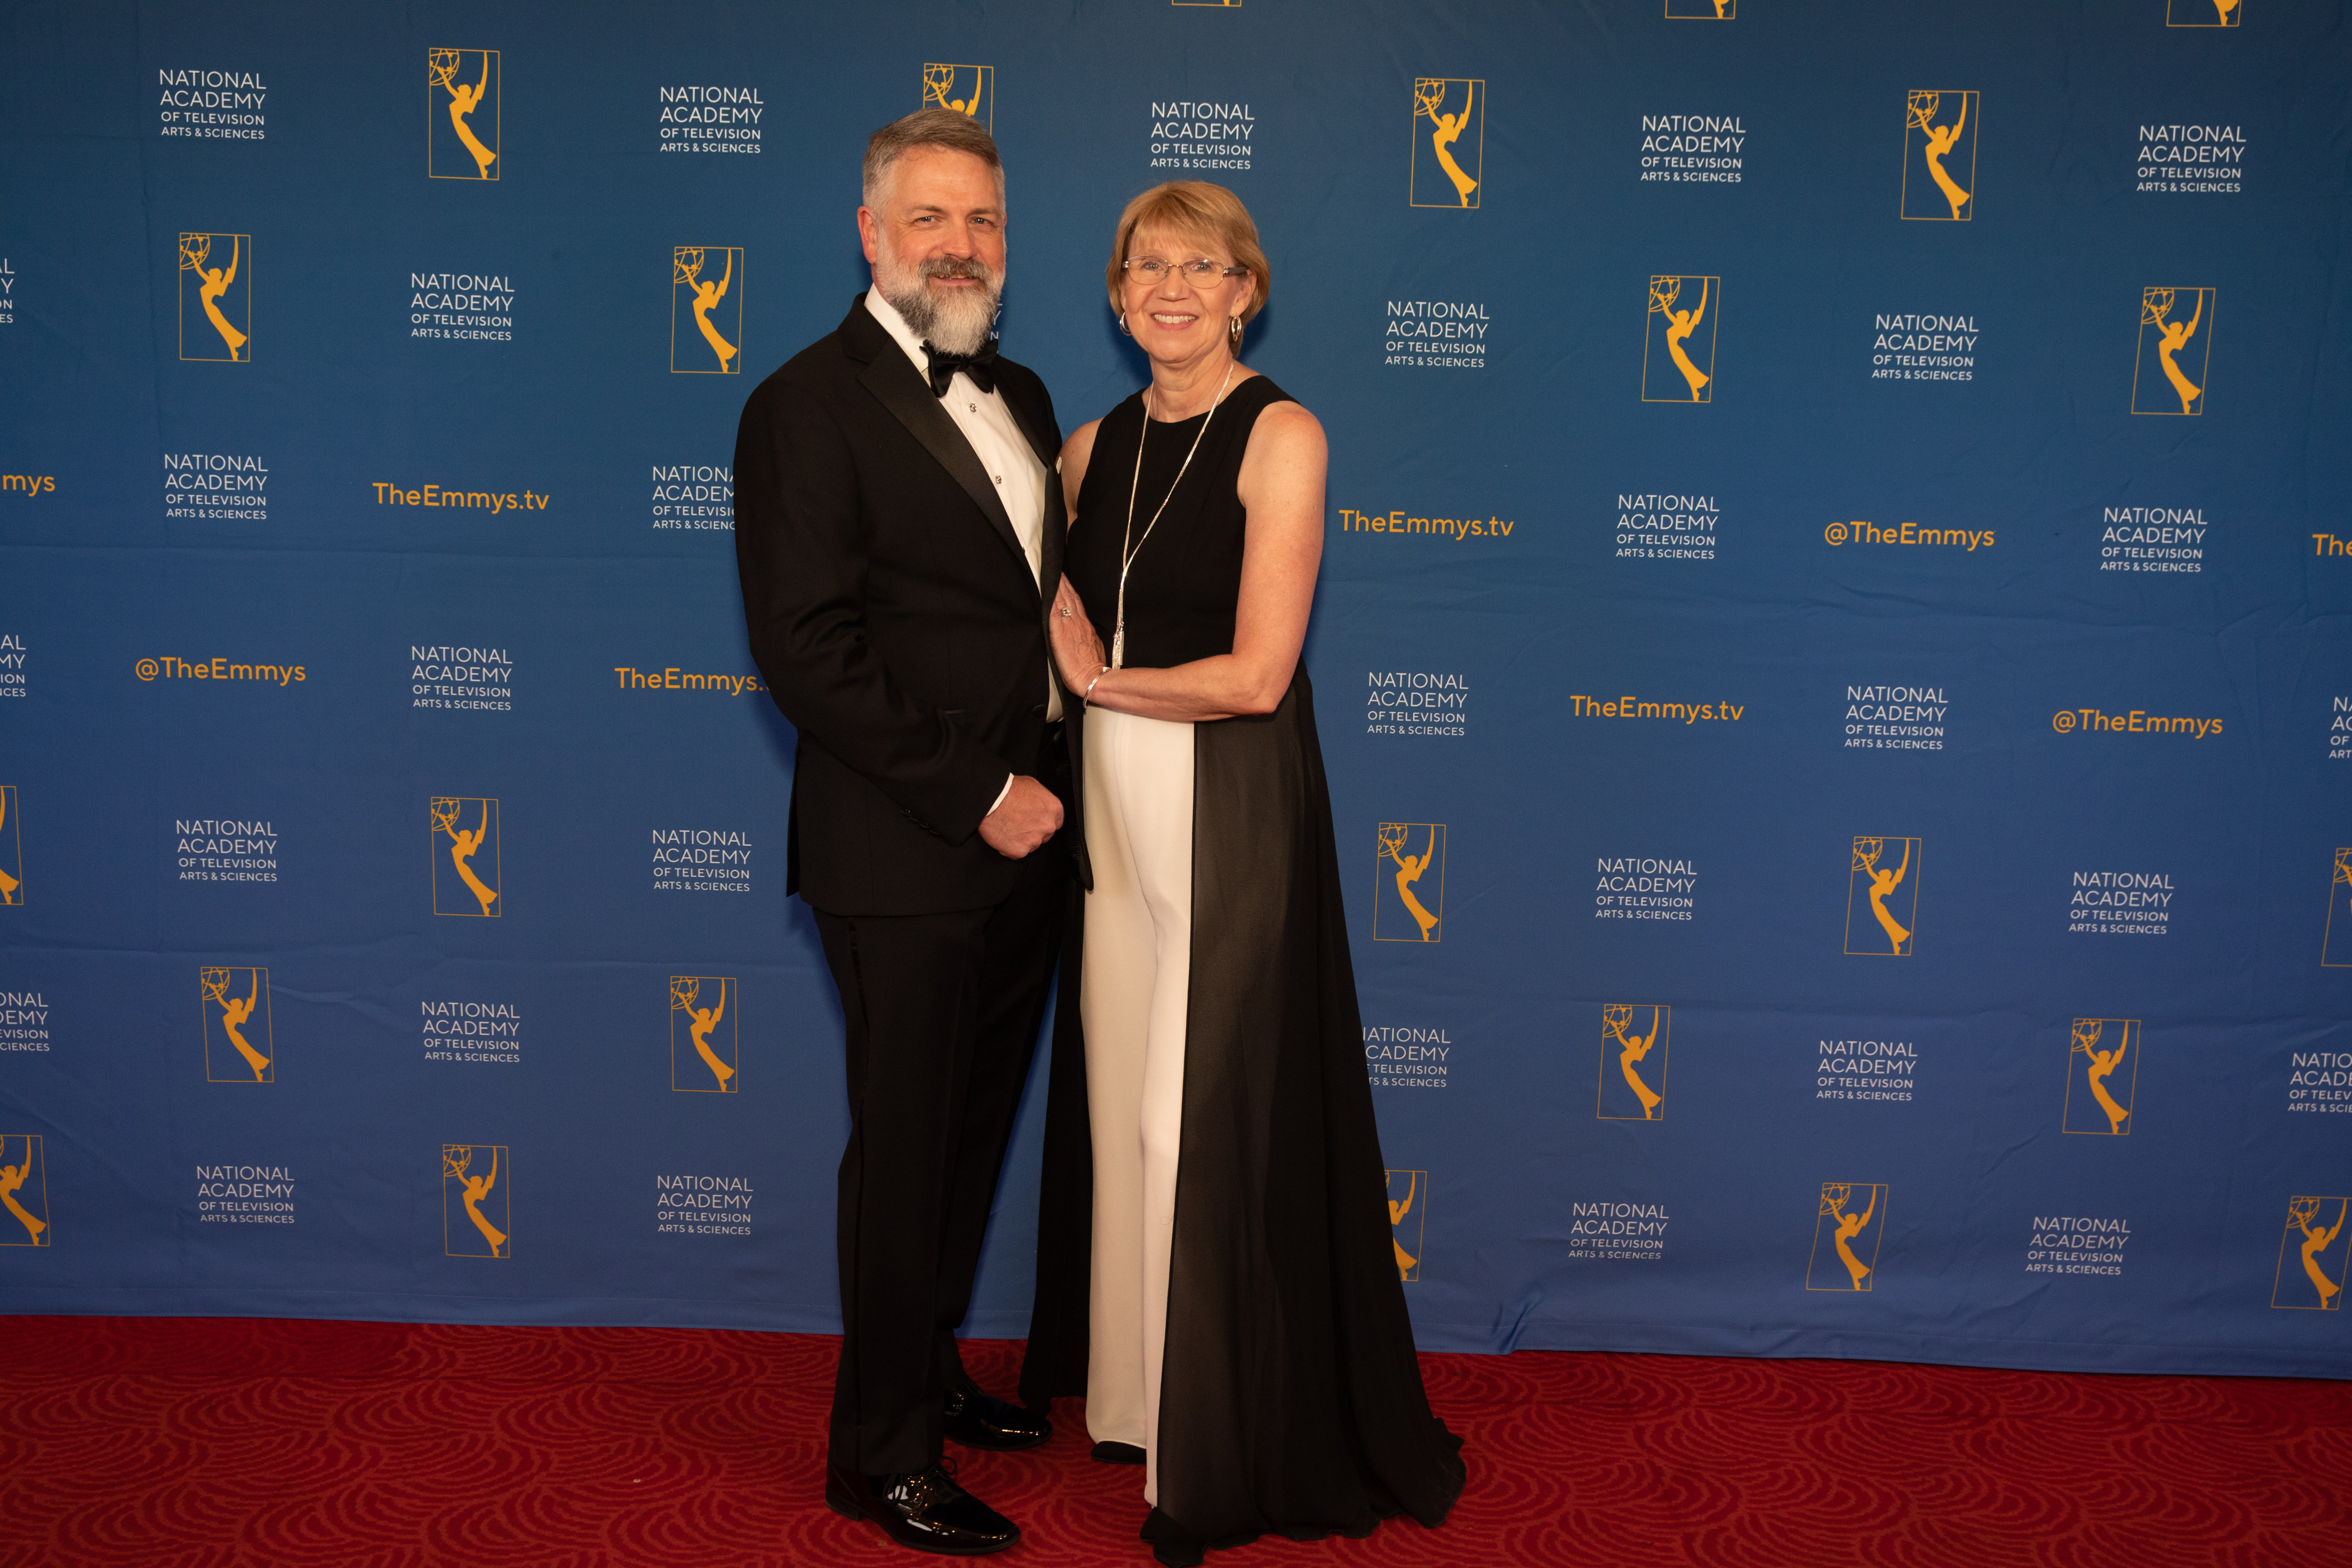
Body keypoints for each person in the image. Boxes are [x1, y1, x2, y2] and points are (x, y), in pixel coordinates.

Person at [1021, 180, 1465, 1567]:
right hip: (1109, 809)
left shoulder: (1282, 433)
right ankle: (1140, 1401)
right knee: (1119, 1116)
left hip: (1226, 798)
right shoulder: (1085, 450)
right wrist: (1070, 681)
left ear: (1243, 292)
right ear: (1115, 296)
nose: (1170, 287)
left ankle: (1213, 1449)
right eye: (1145, 265)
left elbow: (1260, 674)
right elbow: (1049, 616)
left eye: (1199, 265)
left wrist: (1103, 681)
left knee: (1189, 1126)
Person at [733, 108, 1078, 1557]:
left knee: (967, 1135)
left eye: (982, 219)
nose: (959, 243)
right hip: (904, 841)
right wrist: (979, 790)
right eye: (929, 217)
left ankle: (927, 1373)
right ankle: (876, 1456)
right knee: (903, 1152)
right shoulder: (803, 404)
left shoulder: (1027, 392)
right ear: (870, 233)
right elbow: (806, 652)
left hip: (1033, 838)